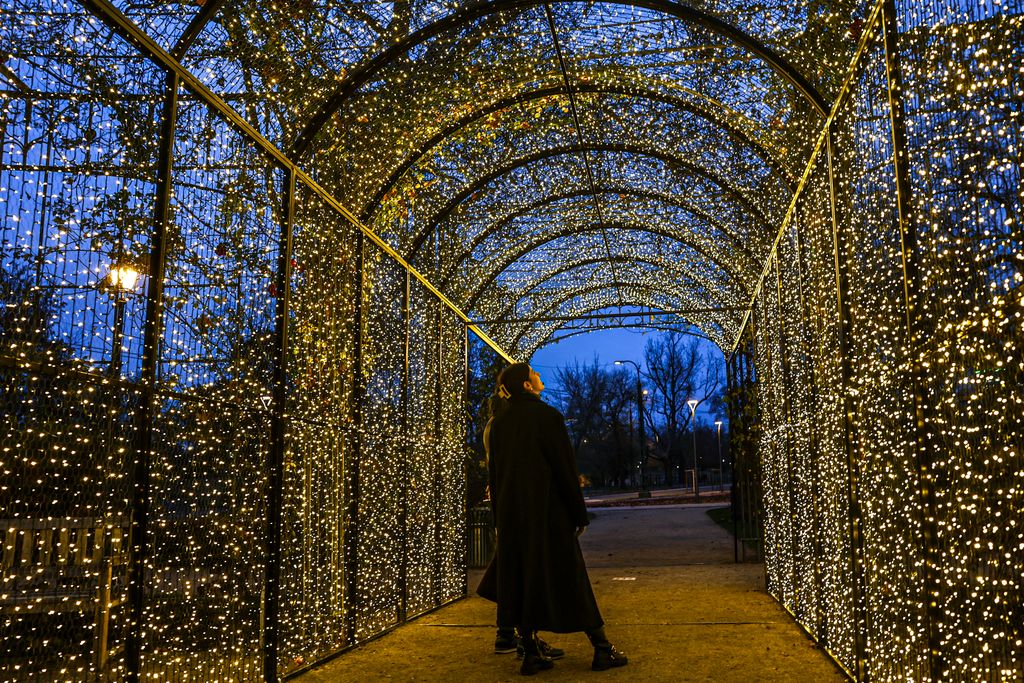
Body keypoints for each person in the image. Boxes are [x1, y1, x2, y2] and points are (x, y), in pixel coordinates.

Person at [477, 362, 628, 676]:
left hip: (514, 518)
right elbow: (564, 471)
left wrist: (498, 520)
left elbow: (496, 474)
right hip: (549, 515)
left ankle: (530, 652)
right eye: (535, 374)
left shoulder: (500, 424)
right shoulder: (549, 418)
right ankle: (601, 648)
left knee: (523, 580)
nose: (540, 376)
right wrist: (578, 513)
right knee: (571, 578)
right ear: (527, 386)